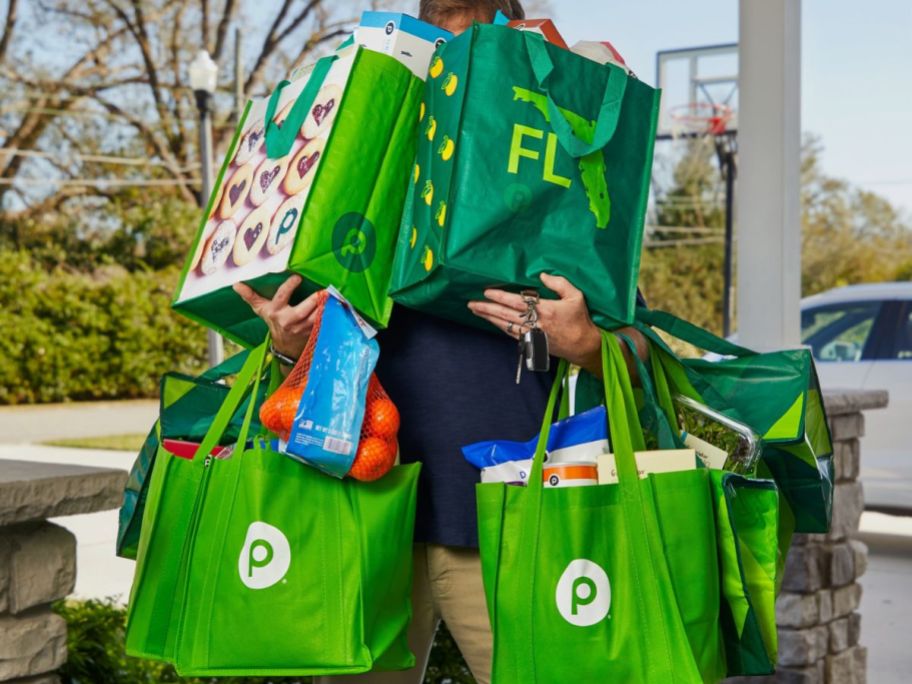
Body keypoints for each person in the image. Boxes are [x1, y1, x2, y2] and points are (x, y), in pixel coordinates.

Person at [234, 1, 647, 682]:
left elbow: (638, 352)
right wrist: (286, 345)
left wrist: (589, 345)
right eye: (437, 56)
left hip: (506, 517)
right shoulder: (361, 164)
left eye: (473, 57)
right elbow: (302, 357)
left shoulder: (556, 181)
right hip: (365, 508)